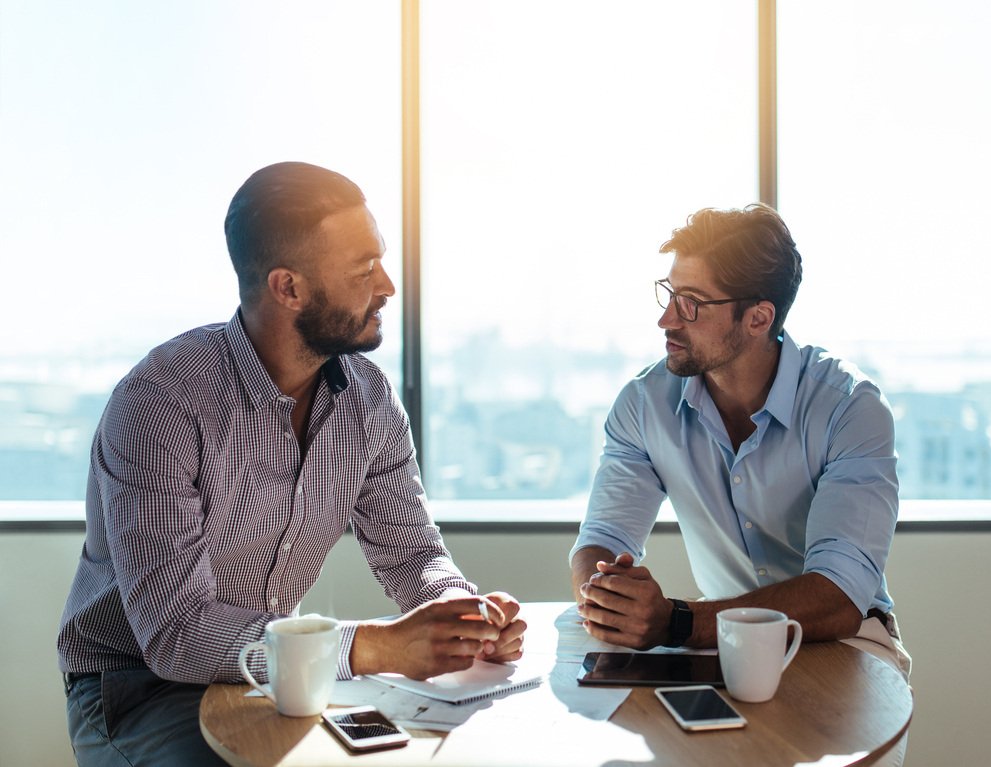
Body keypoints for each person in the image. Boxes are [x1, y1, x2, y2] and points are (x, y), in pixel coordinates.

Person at [57, 162, 526, 766]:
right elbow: (174, 635)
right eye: (364, 269)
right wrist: (375, 647)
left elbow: (412, 553)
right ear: (289, 288)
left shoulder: (370, 399)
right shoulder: (162, 402)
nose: (387, 284)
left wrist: (463, 614)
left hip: (285, 672)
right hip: (137, 688)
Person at [570, 203, 910, 678]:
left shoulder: (850, 408)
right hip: (719, 637)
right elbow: (602, 540)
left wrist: (677, 622)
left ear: (757, 318)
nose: (667, 319)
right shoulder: (644, 404)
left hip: (847, 640)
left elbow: (838, 596)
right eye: (668, 293)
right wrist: (609, 600)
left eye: (691, 302)